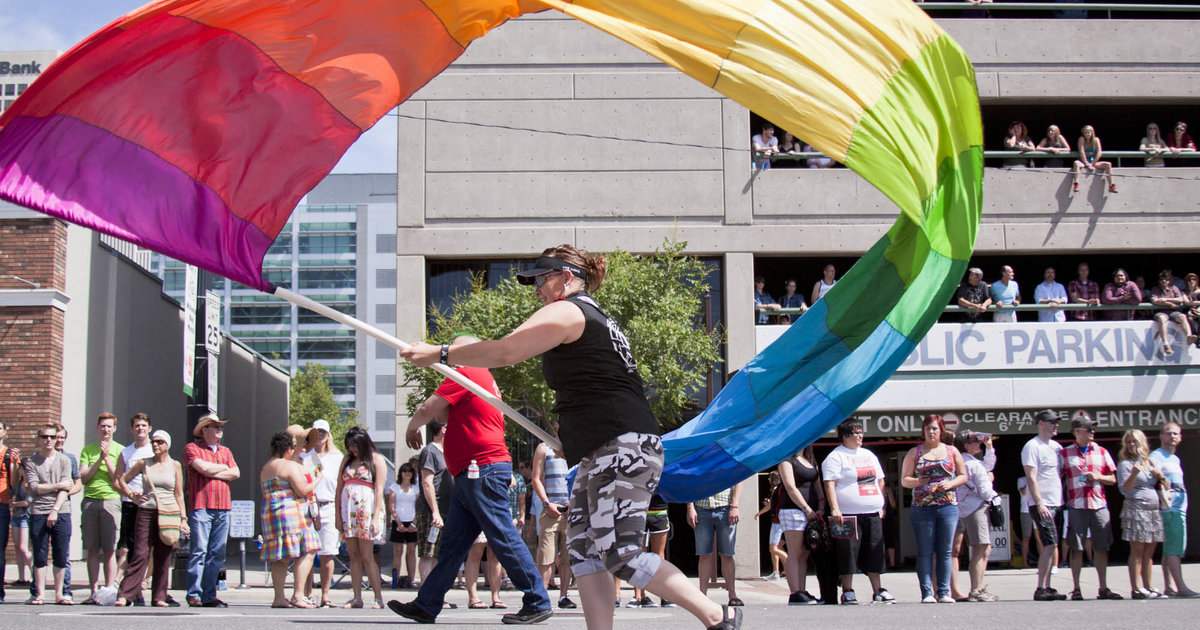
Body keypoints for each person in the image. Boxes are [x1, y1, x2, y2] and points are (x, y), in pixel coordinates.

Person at [399, 245, 744, 630]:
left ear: (566, 277)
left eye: (541, 279)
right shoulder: (587, 315)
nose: (536, 290)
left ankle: (717, 615)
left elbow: (509, 350)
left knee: (620, 553)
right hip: (604, 450)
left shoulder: (570, 309)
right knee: (584, 552)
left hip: (624, 447)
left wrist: (441, 353)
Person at [390, 334, 552, 623]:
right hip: (473, 473)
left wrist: (413, 427)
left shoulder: (467, 369)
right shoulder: (481, 376)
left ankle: (537, 599)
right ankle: (427, 604)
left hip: (482, 471)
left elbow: (429, 410)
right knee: (453, 547)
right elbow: (443, 417)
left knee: (501, 535)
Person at [822, 419, 894, 605]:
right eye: (856, 432)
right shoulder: (836, 456)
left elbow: (880, 480)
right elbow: (830, 483)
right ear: (845, 435)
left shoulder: (869, 455)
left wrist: (881, 504)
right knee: (848, 552)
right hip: (847, 514)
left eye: (861, 432)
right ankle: (847, 590)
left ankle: (878, 590)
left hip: (872, 512)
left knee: (874, 550)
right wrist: (835, 508)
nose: (860, 435)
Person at [115, 429, 187, 607]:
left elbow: (179, 494)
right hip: (146, 511)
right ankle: (125, 594)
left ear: (167, 445)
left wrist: (183, 519)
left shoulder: (175, 465)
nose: (155, 444)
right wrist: (133, 496)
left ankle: (159, 596)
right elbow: (121, 480)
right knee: (140, 553)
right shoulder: (143, 463)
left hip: (169, 513)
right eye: (154, 441)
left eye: (160, 442)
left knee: (163, 556)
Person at [900, 415, 966, 604]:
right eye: (928, 428)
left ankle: (944, 592)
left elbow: (963, 475)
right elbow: (905, 479)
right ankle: (927, 592)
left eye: (935, 429)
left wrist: (951, 483)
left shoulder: (952, 451)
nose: (931, 432)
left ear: (941, 431)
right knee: (925, 550)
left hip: (947, 505)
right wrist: (918, 481)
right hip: (922, 507)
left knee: (945, 551)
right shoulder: (915, 452)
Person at [1060, 414, 1122, 600]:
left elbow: (1113, 479)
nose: (1092, 432)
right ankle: (1076, 588)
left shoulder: (1101, 451)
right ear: (1077, 432)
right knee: (1076, 547)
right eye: (1089, 429)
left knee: (1101, 546)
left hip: (1099, 505)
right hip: (1076, 506)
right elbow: (1057, 477)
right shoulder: (1064, 453)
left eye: (1093, 429)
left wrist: (1098, 477)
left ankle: (1103, 587)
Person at [183, 413, 240, 608]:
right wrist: (223, 468)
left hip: (223, 506)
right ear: (204, 430)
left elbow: (236, 472)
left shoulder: (226, 450)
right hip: (201, 506)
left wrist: (214, 469)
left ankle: (209, 594)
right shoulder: (192, 448)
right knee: (199, 550)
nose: (219, 429)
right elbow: (202, 469)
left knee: (217, 553)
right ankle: (194, 593)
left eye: (220, 426)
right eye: (214, 426)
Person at [259, 431, 319, 608]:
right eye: (292, 448)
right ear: (287, 449)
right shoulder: (288, 466)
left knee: (280, 557)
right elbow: (302, 490)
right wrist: (316, 479)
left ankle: (279, 598)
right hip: (291, 513)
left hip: (270, 513)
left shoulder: (266, 467)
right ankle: (298, 595)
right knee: (308, 549)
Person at [337, 426, 387, 608]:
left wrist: (375, 517)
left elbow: (380, 488)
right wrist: (337, 515)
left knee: (367, 556)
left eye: (355, 445)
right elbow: (339, 488)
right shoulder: (347, 460)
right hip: (348, 511)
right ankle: (357, 597)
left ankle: (378, 597)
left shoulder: (376, 460)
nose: (352, 449)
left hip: (366, 511)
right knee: (353, 556)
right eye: (349, 446)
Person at [24, 424, 73, 605]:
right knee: (40, 554)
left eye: (52, 437)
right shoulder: (31, 462)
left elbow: (66, 488)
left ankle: (60, 594)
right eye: (45, 437)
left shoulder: (64, 460)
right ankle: (40, 593)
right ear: (38, 439)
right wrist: (58, 485)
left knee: (61, 554)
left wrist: (55, 510)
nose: (49, 440)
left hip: (61, 511)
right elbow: (34, 488)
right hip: (38, 512)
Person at [77, 412, 122, 604]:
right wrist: (99, 459)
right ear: (97, 428)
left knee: (110, 548)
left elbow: (118, 478)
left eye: (109, 426)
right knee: (92, 549)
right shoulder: (88, 450)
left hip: (111, 500)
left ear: (114, 429)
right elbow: (84, 477)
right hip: (90, 500)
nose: (105, 429)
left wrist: (107, 458)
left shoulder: (120, 450)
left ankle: (109, 590)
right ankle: (94, 591)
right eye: (102, 426)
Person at [1117, 429, 1167, 599]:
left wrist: (1160, 476)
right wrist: (1134, 473)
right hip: (1136, 509)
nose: (1131, 445)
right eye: (1129, 442)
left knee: (1149, 552)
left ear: (1142, 443)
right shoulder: (1125, 464)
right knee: (1137, 550)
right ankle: (1136, 588)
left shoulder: (1151, 462)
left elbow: (1165, 485)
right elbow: (1124, 489)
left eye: (1135, 441)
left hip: (1153, 509)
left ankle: (1148, 586)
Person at [1022, 409, 1066, 601]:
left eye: (1056, 422)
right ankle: (1040, 587)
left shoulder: (1056, 447)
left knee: (1053, 543)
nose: (1055, 425)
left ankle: (1048, 585)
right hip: (1042, 504)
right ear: (1041, 423)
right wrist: (1039, 503)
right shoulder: (1032, 446)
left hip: (1057, 502)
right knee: (1049, 543)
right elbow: (1031, 477)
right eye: (1051, 422)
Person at [1150, 422, 1199, 597]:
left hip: (1179, 508)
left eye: (1176, 434)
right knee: (1174, 549)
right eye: (1169, 433)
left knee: (1169, 548)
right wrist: (1162, 489)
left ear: (1180, 438)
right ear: (1161, 436)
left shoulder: (1174, 459)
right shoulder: (1156, 456)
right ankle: (1181, 588)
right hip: (1170, 509)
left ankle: (1170, 586)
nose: (1172, 437)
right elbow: (1149, 478)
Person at [951, 431, 999, 602]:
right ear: (966, 445)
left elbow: (987, 466)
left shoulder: (963, 462)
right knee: (980, 548)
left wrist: (989, 449)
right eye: (975, 442)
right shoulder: (973, 465)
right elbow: (985, 490)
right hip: (976, 508)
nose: (979, 444)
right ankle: (976, 589)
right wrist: (994, 493)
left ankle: (977, 587)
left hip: (965, 508)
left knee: (983, 549)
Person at [300, 418, 342, 607]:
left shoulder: (337, 457)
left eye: (323, 433)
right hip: (308, 506)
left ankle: (325, 594)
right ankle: (306, 593)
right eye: (316, 433)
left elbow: (341, 485)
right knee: (307, 552)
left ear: (328, 435)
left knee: (328, 553)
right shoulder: (304, 457)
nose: (320, 437)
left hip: (329, 505)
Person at [533, 432, 576, 609]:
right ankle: (542, 598)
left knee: (567, 557)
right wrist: (546, 503)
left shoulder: (575, 446)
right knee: (546, 555)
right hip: (550, 508)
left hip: (570, 509)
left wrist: (574, 502)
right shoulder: (544, 448)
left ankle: (563, 596)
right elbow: (536, 478)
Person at [113, 412, 154, 589]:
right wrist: (131, 495)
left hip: (150, 504)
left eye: (143, 426)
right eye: (137, 426)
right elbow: (116, 480)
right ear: (131, 429)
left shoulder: (154, 450)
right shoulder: (126, 452)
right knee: (126, 546)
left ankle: (145, 579)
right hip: (130, 503)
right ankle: (118, 581)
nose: (140, 429)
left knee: (148, 545)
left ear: (149, 429)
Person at [777, 445, 822, 605]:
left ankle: (801, 591)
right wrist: (806, 509)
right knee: (795, 551)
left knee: (804, 552)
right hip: (793, 510)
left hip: (812, 512)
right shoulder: (786, 460)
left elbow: (818, 486)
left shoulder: (811, 461)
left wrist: (821, 506)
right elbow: (790, 486)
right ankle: (795, 592)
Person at [687, 482, 744, 607]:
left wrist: (735, 506)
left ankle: (732, 594)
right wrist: (690, 507)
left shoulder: (728, 461)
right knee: (703, 553)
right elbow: (691, 480)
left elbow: (738, 479)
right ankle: (702, 595)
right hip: (701, 506)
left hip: (725, 506)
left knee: (727, 554)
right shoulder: (699, 461)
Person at [414, 422, 452, 585]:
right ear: (443, 430)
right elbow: (427, 482)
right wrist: (435, 512)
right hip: (431, 512)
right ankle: (425, 593)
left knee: (439, 554)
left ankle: (434, 593)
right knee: (428, 552)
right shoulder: (430, 451)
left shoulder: (447, 452)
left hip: (446, 510)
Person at [387, 462, 420, 590]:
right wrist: (398, 522)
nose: (407, 474)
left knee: (412, 551)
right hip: (399, 521)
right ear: (400, 473)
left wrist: (413, 523)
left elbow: (419, 506)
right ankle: (395, 579)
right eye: (404, 471)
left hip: (412, 520)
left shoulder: (416, 488)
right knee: (398, 551)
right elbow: (391, 505)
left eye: (409, 471)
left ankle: (411, 579)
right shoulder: (394, 487)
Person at [1150, 270, 1196, 355]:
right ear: (1159, 281)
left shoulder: (1174, 288)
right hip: (1161, 312)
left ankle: (1189, 336)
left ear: (1169, 281)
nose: (1164, 281)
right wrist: (1170, 303)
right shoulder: (1155, 289)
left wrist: (1166, 299)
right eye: (1162, 279)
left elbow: (1180, 299)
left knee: (1182, 317)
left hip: (1173, 312)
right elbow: (1155, 300)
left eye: (1166, 279)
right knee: (1162, 318)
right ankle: (1166, 344)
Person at [753, 471, 787, 581]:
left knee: (773, 548)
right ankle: (777, 571)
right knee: (779, 546)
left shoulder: (776, 489)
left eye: (770, 478)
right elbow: (772, 504)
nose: (768, 480)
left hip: (777, 522)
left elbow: (770, 507)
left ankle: (790, 563)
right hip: (780, 521)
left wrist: (759, 513)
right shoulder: (779, 490)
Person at [0, 419, 20, 603]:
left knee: (0, 550)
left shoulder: (8, 454)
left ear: (4, 432)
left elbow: (14, 483)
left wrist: (14, 463)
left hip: (2, 505)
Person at [1072, 125, 1115, 193]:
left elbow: (1099, 152)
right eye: (1085, 132)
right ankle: (1076, 184)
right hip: (1083, 161)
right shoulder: (1081, 139)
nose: (1087, 134)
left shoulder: (1096, 140)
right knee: (1076, 163)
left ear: (1092, 132)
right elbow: (1082, 152)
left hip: (1093, 162)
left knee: (1108, 164)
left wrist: (1092, 163)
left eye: (1088, 132)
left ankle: (1111, 185)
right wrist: (1086, 163)